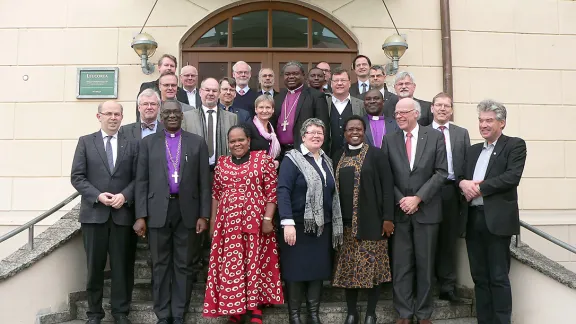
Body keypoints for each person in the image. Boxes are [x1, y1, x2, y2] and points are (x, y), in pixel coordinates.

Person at [135, 100, 211, 324]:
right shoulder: (148, 143)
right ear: (160, 116)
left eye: (176, 112)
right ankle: (163, 314)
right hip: (158, 210)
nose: (171, 116)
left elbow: (204, 183)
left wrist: (204, 215)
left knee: (184, 264)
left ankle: (178, 313)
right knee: (159, 264)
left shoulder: (197, 143)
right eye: (166, 112)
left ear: (182, 115)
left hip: (187, 210)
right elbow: (141, 182)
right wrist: (140, 215)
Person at [203, 125, 284, 323]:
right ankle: (235, 307)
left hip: (256, 221)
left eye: (241, 140)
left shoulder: (262, 160)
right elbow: (216, 194)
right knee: (232, 265)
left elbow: (272, 192)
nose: (237, 144)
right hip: (228, 223)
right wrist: (213, 222)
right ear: (228, 143)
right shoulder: (222, 163)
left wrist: (267, 219)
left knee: (255, 262)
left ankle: (255, 307)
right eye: (232, 141)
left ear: (248, 140)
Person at [459, 100, 526, 324]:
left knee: (498, 277)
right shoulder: (473, 150)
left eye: (489, 120)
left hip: (497, 222)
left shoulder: (515, 145)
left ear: (502, 123)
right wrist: (462, 185)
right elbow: (460, 177)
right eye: (481, 120)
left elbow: (511, 177)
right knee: (479, 278)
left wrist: (478, 188)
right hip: (473, 220)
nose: (483, 125)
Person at [71, 101, 138, 324]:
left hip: (122, 215)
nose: (112, 117)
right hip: (94, 215)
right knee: (94, 268)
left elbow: (140, 177)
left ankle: (120, 313)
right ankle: (94, 313)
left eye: (117, 114)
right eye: (108, 113)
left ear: (122, 117)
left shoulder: (133, 143)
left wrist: (125, 195)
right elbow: (77, 176)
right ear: (98, 116)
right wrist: (98, 195)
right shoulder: (85, 142)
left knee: (122, 267)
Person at [382, 98, 447, 324]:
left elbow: (441, 172)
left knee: (425, 265)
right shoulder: (389, 140)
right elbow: (386, 175)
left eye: (403, 113)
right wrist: (403, 200)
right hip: (400, 213)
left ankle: (424, 313)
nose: (398, 116)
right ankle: (404, 313)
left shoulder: (436, 137)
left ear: (416, 114)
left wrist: (418, 198)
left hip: (427, 211)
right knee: (401, 265)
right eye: (396, 113)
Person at [277, 118, 343, 324]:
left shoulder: (327, 160)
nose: (316, 136)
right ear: (303, 136)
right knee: (296, 271)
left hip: (322, 225)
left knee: (318, 270)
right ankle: (294, 316)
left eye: (320, 133)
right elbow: (283, 191)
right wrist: (287, 222)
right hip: (297, 225)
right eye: (311, 132)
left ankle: (313, 314)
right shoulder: (292, 159)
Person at [332, 115, 395, 324]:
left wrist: (388, 218)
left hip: (372, 223)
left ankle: (370, 313)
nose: (355, 132)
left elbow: (387, 189)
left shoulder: (376, 155)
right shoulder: (337, 156)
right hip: (346, 226)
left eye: (359, 128)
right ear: (344, 133)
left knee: (372, 270)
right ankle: (352, 312)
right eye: (350, 129)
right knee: (349, 272)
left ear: (364, 131)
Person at [430, 92, 471, 302]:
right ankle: (426, 285)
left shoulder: (461, 133)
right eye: (439, 105)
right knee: (427, 239)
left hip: (451, 190)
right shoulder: (423, 132)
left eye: (447, 106)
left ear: (452, 110)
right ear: (432, 108)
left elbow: (466, 162)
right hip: (428, 192)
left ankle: (447, 286)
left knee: (448, 239)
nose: (443, 109)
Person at [272, 61, 330, 157]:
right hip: (281, 153)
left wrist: (319, 155)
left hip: (306, 153)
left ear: (303, 75)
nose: (291, 76)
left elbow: (323, 128)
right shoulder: (278, 98)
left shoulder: (315, 96)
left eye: (295, 74)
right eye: (287, 74)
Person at [137, 54, 188, 119]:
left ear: (175, 69)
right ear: (159, 67)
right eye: (166, 65)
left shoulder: (182, 92)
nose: (169, 68)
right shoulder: (147, 87)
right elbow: (140, 112)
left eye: (172, 66)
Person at [244, 94, 281, 168]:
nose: (264, 111)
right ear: (255, 109)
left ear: (273, 110)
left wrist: (276, 161)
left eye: (268, 107)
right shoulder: (248, 127)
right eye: (261, 107)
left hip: (272, 172)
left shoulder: (273, 129)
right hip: (253, 171)